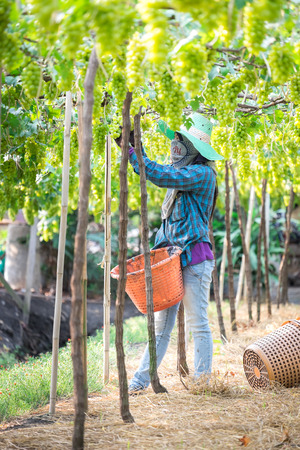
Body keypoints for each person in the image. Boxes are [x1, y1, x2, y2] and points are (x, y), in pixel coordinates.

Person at [127, 112, 224, 393]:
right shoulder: (184, 177)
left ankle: (203, 383)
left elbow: (159, 174)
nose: (177, 144)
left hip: (194, 260)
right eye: (177, 138)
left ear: (195, 150)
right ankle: (139, 382)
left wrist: (135, 153)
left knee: (198, 323)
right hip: (172, 263)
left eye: (182, 140)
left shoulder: (201, 175)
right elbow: (168, 227)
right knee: (160, 327)